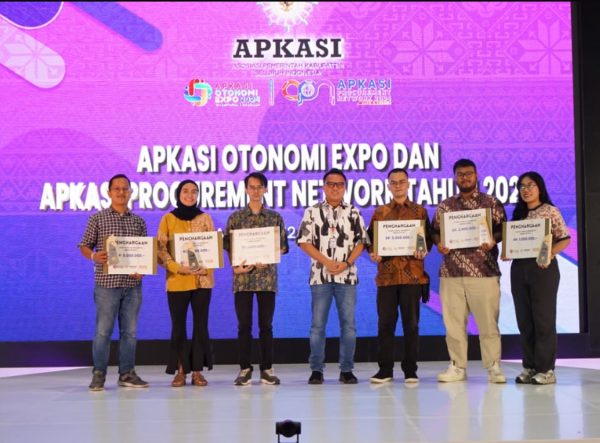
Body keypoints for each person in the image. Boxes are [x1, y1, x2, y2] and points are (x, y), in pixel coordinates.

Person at [432, 159, 507, 383]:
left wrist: (493, 240)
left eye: (469, 173)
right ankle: (457, 366)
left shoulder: (490, 202)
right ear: (455, 177)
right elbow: (434, 232)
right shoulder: (445, 206)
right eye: (460, 174)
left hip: (484, 271)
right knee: (453, 324)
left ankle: (493, 366)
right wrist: (439, 243)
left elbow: (503, 229)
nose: (465, 178)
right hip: (451, 272)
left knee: (488, 323)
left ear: (476, 175)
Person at [297, 168, 370, 384]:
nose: (335, 188)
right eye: (331, 184)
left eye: (339, 184)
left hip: (347, 277)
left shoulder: (354, 212)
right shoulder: (312, 212)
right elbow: (304, 242)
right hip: (320, 276)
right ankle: (316, 370)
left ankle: (346, 370)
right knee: (317, 326)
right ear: (324, 187)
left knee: (349, 326)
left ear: (345, 188)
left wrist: (346, 263)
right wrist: (327, 262)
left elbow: (362, 242)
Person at [79, 174, 149, 391]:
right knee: (103, 331)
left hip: (132, 285)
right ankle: (99, 374)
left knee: (130, 332)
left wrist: (142, 269)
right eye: (117, 189)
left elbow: (144, 253)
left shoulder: (138, 221)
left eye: (125, 189)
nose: (121, 192)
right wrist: (94, 256)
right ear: (109, 192)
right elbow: (84, 245)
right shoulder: (97, 218)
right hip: (106, 285)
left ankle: (127, 373)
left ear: (130, 192)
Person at [367, 168, 432, 384]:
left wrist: (423, 249)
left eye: (401, 181)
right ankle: (385, 370)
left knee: (411, 325)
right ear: (388, 186)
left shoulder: (420, 212)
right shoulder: (380, 212)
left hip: (412, 276)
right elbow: (370, 240)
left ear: (408, 184)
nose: (397, 185)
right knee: (385, 324)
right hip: (386, 278)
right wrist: (373, 252)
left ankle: (410, 370)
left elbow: (427, 239)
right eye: (393, 182)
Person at [223, 172, 289, 386]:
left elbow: (282, 247)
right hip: (242, 280)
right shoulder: (235, 218)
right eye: (251, 187)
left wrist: (268, 257)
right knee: (244, 326)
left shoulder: (274, 217)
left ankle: (267, 369)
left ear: (266, 189)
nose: (255, 191)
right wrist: (236, 266)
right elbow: (228, 246)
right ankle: (245, 369)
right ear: (245, 189)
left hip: (266, 279)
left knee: (266, 326)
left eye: (259, 187)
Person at [508, 172, 571, 385]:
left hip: (543, 269)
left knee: (543, 319)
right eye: (522, 186)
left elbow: (565, 239)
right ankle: (530, 366)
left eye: (530, 185)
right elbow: (514, 243)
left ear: (540, 187)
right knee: (524, 320)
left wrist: (550, 253)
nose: (526, 190)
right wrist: (508, 251)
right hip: (519, 269)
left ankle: (546, 370)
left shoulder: (550, 211)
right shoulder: (518, 214)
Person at [156, 180, 215, 387]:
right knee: (178, 326)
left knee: (201, 325)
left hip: (202, 280)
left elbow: (212, 248)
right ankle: (181, 370)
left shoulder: (205, 218)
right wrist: (177, 267)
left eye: (194, 192)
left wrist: (207, 266)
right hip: (177, 281)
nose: (190, 195)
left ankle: (197, 371)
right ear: (178, 194)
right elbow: (160, 250)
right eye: (185, 191)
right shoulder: (168, 218)